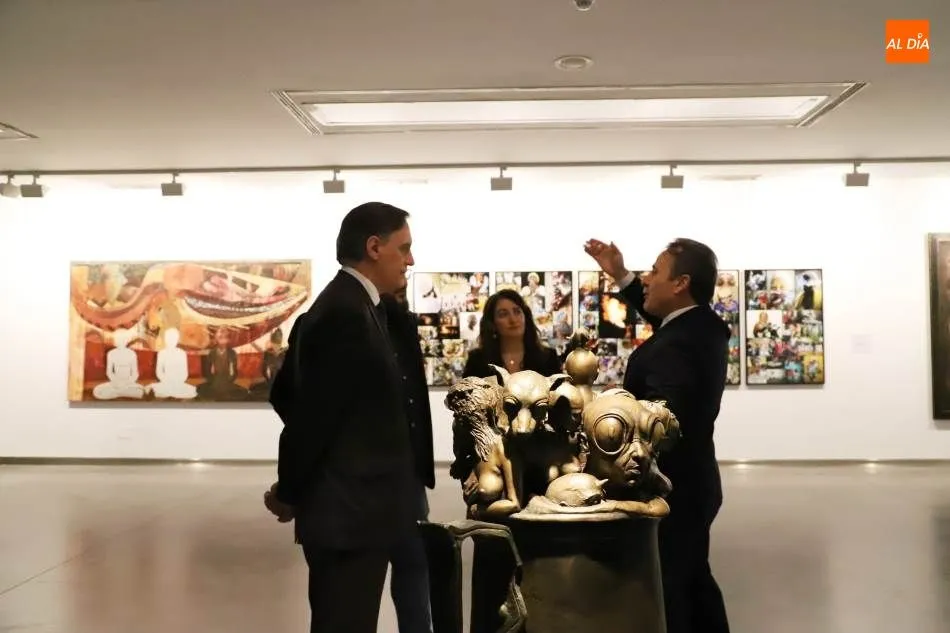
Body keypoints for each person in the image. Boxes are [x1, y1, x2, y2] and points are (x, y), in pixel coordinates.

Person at [264, 202, 418, 633]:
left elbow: (299, 399)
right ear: (374, 247)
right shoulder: (344, 313)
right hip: (349, 515)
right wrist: (292, 490)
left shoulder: (359, 307)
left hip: (358, 511)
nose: (410, 260)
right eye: (404, 248)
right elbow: (312, 417)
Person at [584, 237, 731, 633]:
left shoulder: (681, 341)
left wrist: (609, 413)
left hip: (673, 487)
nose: (646, 279)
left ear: (681, 283)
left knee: (673, 589)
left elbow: (662, 418)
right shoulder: (697, 327)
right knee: (693, 580)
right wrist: (619, 274)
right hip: (694, 482)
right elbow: (660, 316)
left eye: (654, 271)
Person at [381, 281, 435, 633]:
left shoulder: (404, 327)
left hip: (407, 470)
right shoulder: (342, 321)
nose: (409, 261)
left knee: (414, 563)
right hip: (368, 474)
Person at [461, 288, 562, 379]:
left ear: (525, 316)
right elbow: (465, 393)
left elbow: (560, 392)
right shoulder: (478, 360)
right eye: (503, 314)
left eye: (517, 311)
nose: (513, 319)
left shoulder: (548, 357)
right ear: (492, 323)